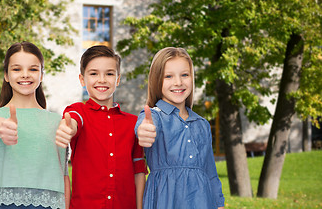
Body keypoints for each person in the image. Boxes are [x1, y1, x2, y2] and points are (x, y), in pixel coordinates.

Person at [55, 45, 147, 209]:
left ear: (118, 79)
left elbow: (139, 170)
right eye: (94, 73)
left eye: (109, 73)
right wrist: (67, 129)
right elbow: (73, 122)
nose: (102, 79)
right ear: (82, 79)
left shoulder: (133, 123)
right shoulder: (77, 111)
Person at [0, 41, 70, 209]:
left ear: (41, 75)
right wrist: (3, 128)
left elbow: (64, 173)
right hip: (7, 205)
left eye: (33, 69)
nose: (25, 75)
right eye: (16, 69)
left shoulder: (58, 122)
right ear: (6, 75)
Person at [135, 47, 225, 209]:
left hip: (203, 202)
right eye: (168, 76)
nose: (178, 82)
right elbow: (143, 127)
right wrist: (144, 131)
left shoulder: (202, 124)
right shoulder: (154, 116)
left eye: (184, 75)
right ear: (157, 81)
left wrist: (219, 204)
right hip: (165, 201)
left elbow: (210, 173)